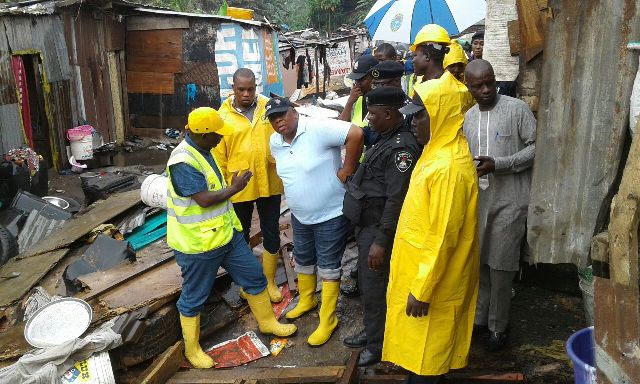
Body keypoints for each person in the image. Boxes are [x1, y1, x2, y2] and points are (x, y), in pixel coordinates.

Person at [167, 107, 296, 369]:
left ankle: (268, 322)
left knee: (254, 277)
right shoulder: (182, 161)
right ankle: (192, 349)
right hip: (199, 245)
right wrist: (235, 188)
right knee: (194, 298)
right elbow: (203, 200)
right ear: (202, 134)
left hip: (226, 235)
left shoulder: (203, 150)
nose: (220, 139)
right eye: (217, 135)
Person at [382, 68, 480, 383]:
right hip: (420, 269)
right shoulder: (435, 149)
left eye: (420, 116)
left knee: (427, 361)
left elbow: (443, 237)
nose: (412, 122)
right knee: (417, 356)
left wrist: (422, 290)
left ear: (442, 115)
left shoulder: (448, 167)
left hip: (431, 283)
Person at [267, 97, 364, 347]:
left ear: (294, 112)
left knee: (329, 266)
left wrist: (347, 169)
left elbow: (356, 133)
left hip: (330, 214)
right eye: (272, 117)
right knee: (304, 259)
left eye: (282, 114)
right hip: (300, 216)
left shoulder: (317, 128)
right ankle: (307, 299)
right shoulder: (275, 141)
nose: (278, 120)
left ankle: (328, 319)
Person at [342, 87, 421, 367]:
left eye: (373, 114)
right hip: (367, 226)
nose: (369, 119)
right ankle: (373, 331)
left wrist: (381, 241)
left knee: (375, 289)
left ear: (388, 114)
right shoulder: (387, 138)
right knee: (367, 286)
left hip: (379, 229)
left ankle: (378, 345)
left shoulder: (401, 148)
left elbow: (395, 199)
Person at [463, 59, 536, 352]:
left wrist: (501, 164)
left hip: (511, 201)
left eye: (490, 82)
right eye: (478, 86)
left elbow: (536, 146)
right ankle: (481, 319)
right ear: (468, 88)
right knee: (480, 264)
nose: (486, 89)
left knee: (502, 266)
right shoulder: (467, 118)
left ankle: (499, 327)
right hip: (479, 203)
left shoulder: (516, 109)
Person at [214, 68, 284, 303]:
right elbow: (219, 156)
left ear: (256, 87)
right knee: (240, 235)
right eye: (241, 89)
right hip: (238, 186)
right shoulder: (221, 117)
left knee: (271, 229)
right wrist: (224, 188)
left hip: (269, 180)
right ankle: (248, 283)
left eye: (251, 89)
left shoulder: (268, 107)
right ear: (232, 88)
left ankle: (270, 281)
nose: (246, 94)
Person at [408, 24, 451, 98]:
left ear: (427, 56)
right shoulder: (457, 86)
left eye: (415, 55)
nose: (413, 60)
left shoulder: (424, 92)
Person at [339, 55, 379, 130]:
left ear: (374, 77)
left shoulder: (382, 102)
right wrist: (349, 103)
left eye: (361, 80)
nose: (357, 84)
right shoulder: (357, 99)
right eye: (356, 80)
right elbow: (341, 128)